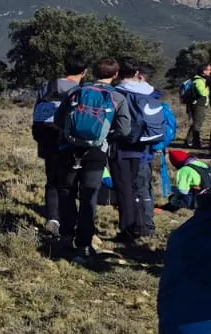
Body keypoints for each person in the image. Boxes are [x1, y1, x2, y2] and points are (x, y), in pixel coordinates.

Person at [51, 57, 125, 263]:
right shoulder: (117, 97)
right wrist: (106, 135)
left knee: (66, 192)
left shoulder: (75, 92)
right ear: (115, 74)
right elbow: (125, 129)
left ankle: (66, 236)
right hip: (96, 152)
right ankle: (83, 245)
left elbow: (58, 120)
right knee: (89, 196)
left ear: (92, 72)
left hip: (69, 148)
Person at [112, 59, 171, 244]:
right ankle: (147, 224)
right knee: (144, 187)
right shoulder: (150, 93)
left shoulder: (119, 93)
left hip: (125, 145)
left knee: (129, 189)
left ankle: (135, 229)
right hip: (146, 147)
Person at [32, 55, 88, 236]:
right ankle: (72, 220)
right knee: (72, 181)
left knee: (53, 180)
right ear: (84, 71)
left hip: (47, 136)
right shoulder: (82, 90)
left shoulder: (47, 85)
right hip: (71, 139)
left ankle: (53, 218)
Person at [182, 63, 210, 149]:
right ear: (203, 71)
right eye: (209, 70)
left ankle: (188, 140)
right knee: (197, 123)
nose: (210, 71)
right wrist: (208, 87)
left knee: (197, 123)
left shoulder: (201, 80)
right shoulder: (198, 81)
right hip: (198, 104)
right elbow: (202, 93)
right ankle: (196, 143)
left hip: (199, 104)